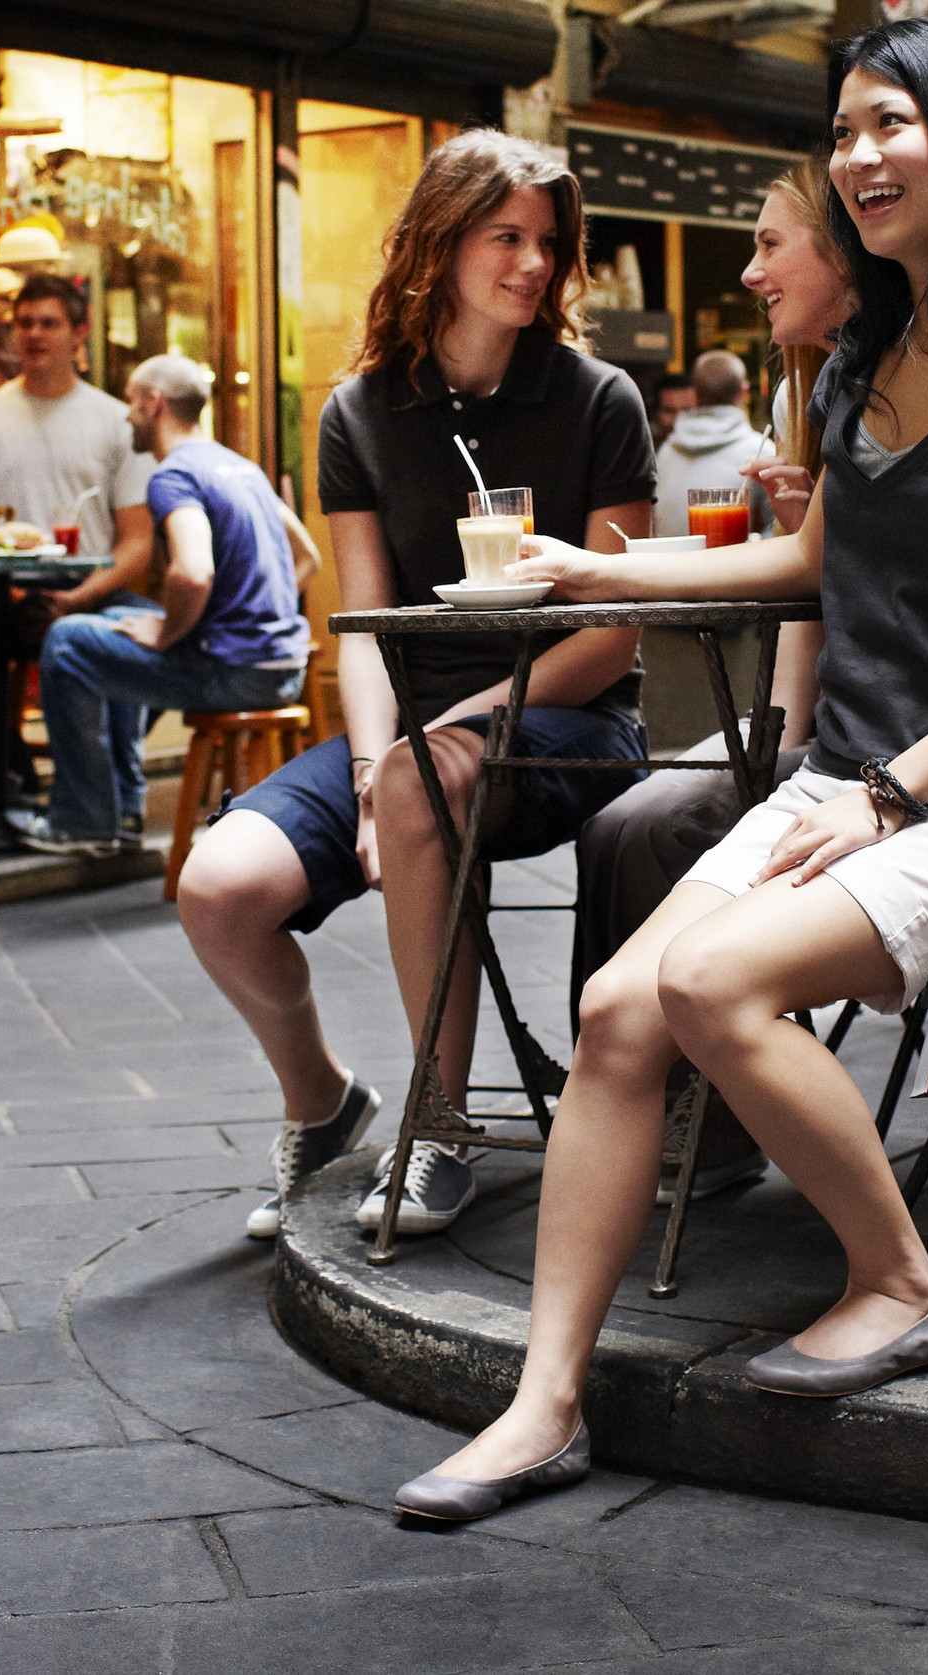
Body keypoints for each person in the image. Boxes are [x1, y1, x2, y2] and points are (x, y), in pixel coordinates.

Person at [388, 17, 928, 1526]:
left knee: (709, 985)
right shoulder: (862, 346)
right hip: (851, 778)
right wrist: (580, 566)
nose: (858, 156)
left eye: (892, 124)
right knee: (619, 1003)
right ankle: (540, 1403)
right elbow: (809, 557)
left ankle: (900, 1275)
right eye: (845, 130)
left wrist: (895, 790)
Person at [178, 131, 657, 1244]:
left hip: (569, 721)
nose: (534, 264)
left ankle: (438, 1126)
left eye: (548, 242)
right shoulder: (359, 414)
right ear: (439, 247)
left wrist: (418, 751)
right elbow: (361, 627)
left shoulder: (598, 400)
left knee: (418, 785)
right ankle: (324, 1100)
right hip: (403, 731)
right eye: (507, 237)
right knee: (218, 889)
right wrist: (367, 764)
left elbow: (610, 636)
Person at [569, 176, 860, 1203]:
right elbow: (805, 586)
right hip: (823, 722)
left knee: (651, 822)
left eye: (770, 244)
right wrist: (772, 729)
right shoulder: (798, 394)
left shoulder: (898, 383)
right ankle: (633, 1104)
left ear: (839, 252)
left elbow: (816, 576)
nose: (750, 270)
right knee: (616, 823)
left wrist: (605, 571)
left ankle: (705, 1118)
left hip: (890, 750)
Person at [24, 354, 321, 855]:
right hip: (281, 665)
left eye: (131, 402)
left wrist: (167, 634)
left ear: (153, 403)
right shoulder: (238, 465)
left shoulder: (173, 476)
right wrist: (259, 614)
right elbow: (307, 556)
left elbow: (192, 570)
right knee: (115, 620)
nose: (126, 416)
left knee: (67, 641)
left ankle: (84, 819)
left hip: (233, 672)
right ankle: (125, 806)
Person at [0, 271, 154, 815]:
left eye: (49, 323)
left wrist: (77, 600)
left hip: (89, 589)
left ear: (79, 333)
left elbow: (138, 542)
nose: (34, 334)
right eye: (24, 323)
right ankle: (6, 767)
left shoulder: (115, 423)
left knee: (145, 634)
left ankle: (116, 798)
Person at [650, 348, 780, 539]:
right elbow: (781, 532)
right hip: (731, 566)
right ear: (744, 391)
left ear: (692, 394)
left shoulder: (664, 452)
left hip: (667, 567)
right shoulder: (761, 451)